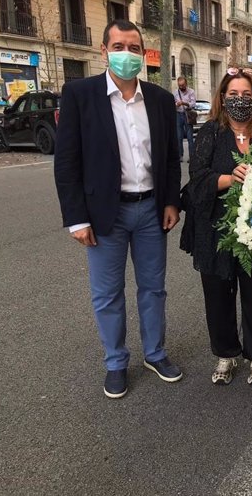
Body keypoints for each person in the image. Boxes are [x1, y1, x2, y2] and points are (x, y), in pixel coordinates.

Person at [54, 20, 182, 399]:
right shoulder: (80, 94)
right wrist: (76, 218)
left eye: (134, 47)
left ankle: (155, 354)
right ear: (104, 50)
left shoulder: (159, 99)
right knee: (107, 293)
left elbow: (172, 158)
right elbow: (66, 162)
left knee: (153, 289)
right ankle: (115, 362)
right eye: (119, 46)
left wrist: (172, 200)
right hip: (103, 214)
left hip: (150, 210)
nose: (128, 53)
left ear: (143, 53)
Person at [181, 67, 252, 386]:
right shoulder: (210, 132)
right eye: (233, 95)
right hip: (216, 230)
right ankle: (225, 354)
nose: (240, 100)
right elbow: (197, 178)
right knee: (218, 295)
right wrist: (227, 178)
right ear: (222, 98)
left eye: (247, 95)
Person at [174, 76, 196, 162]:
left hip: (187, 114)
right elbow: (173, 103)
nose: (181, 87)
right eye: (179, 85)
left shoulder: (191, 91)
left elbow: (193, 103)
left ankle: (192, 157)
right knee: (179, 137)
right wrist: (177, 104)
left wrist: (184, 103)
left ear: (186, 84)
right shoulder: (175, 92)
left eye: (183, 85)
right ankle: (180, 156)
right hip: (178, 115)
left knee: (190, 137)